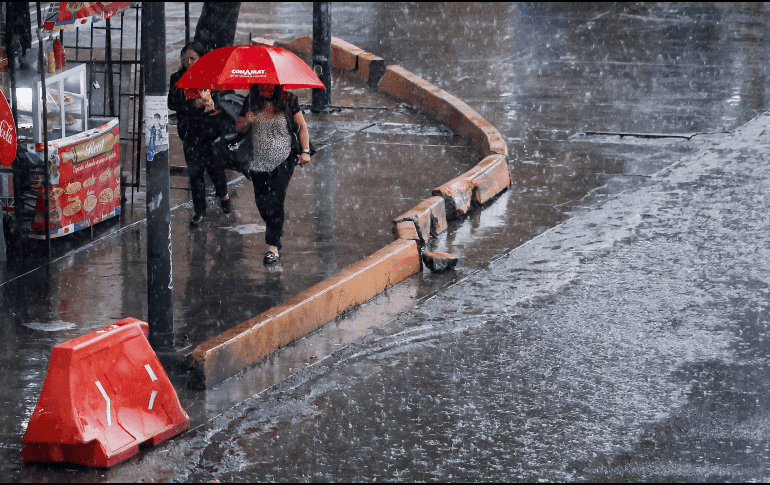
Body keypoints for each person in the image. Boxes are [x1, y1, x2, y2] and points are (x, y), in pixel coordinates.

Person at [235, 83, 311, 264]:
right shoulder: (252, 101)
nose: (265, 87)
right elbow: (239, 128)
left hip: (283, 160)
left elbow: (301, 126)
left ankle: (272, 247)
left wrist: (305, 151)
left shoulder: (288, 99)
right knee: (262, 202)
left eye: (269, 83)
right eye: (262, 84)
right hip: (257, 161)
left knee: (276, 200)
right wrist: (247, 120)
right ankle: (275, 227)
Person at [168, 41, 231, 227]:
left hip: (211, 132)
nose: (188, 62)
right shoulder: (177, 78)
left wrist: (217, 106)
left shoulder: (213, 76)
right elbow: (172, 102)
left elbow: (227, 97)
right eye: (185, 58)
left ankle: (224, 194)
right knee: (196, 173)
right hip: (190, 132)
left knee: (215, 169)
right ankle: (199, 212)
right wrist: (192, 105)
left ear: (201, 59)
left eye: (193, 58)